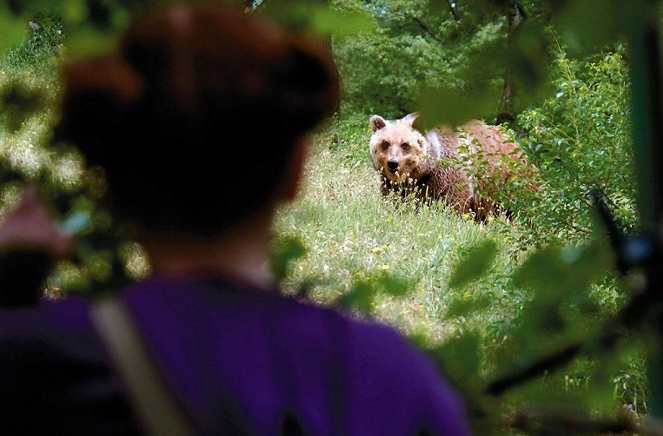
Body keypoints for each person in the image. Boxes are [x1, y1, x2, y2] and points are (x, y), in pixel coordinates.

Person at [0, 3, 472, 436]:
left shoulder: (34, 360)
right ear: (296, 171)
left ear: (106, 176)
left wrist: (11, 282)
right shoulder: (390, 379)